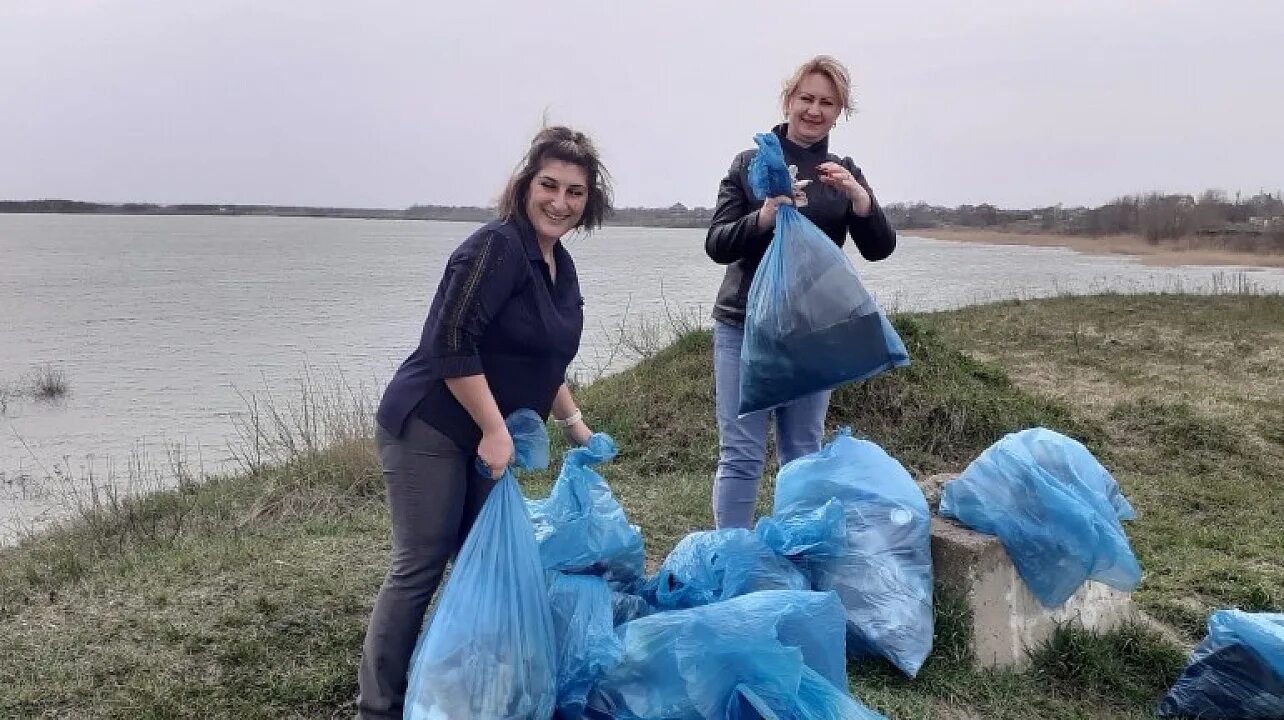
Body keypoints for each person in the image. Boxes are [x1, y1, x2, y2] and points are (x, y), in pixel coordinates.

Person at [356, 125, 612, 719]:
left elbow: (546, 360)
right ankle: (380, 707)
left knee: (483, 559)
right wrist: (496, 430)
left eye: (576, 192)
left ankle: (467, 691)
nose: (560, 202)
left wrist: (574, 424)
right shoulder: (495, 248)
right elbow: (451, 343)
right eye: (549, 185)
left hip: (484, 436)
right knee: (421, 562)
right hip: (431, 425)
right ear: (526, 185)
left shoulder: (559, 264)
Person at [705, 55, 897, 530]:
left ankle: (796, 554)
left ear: (839, 112)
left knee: (803, 453)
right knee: (741, 453)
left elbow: (879, 248)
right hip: (743, 325)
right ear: (788, 100)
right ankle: (733, 558)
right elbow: (717, 243)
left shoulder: (843, 171)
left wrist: (859, 200)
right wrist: (766, 214)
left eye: (827, 103)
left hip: (814, 333)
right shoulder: (752, 163)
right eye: (806, 98)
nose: (814, 110)